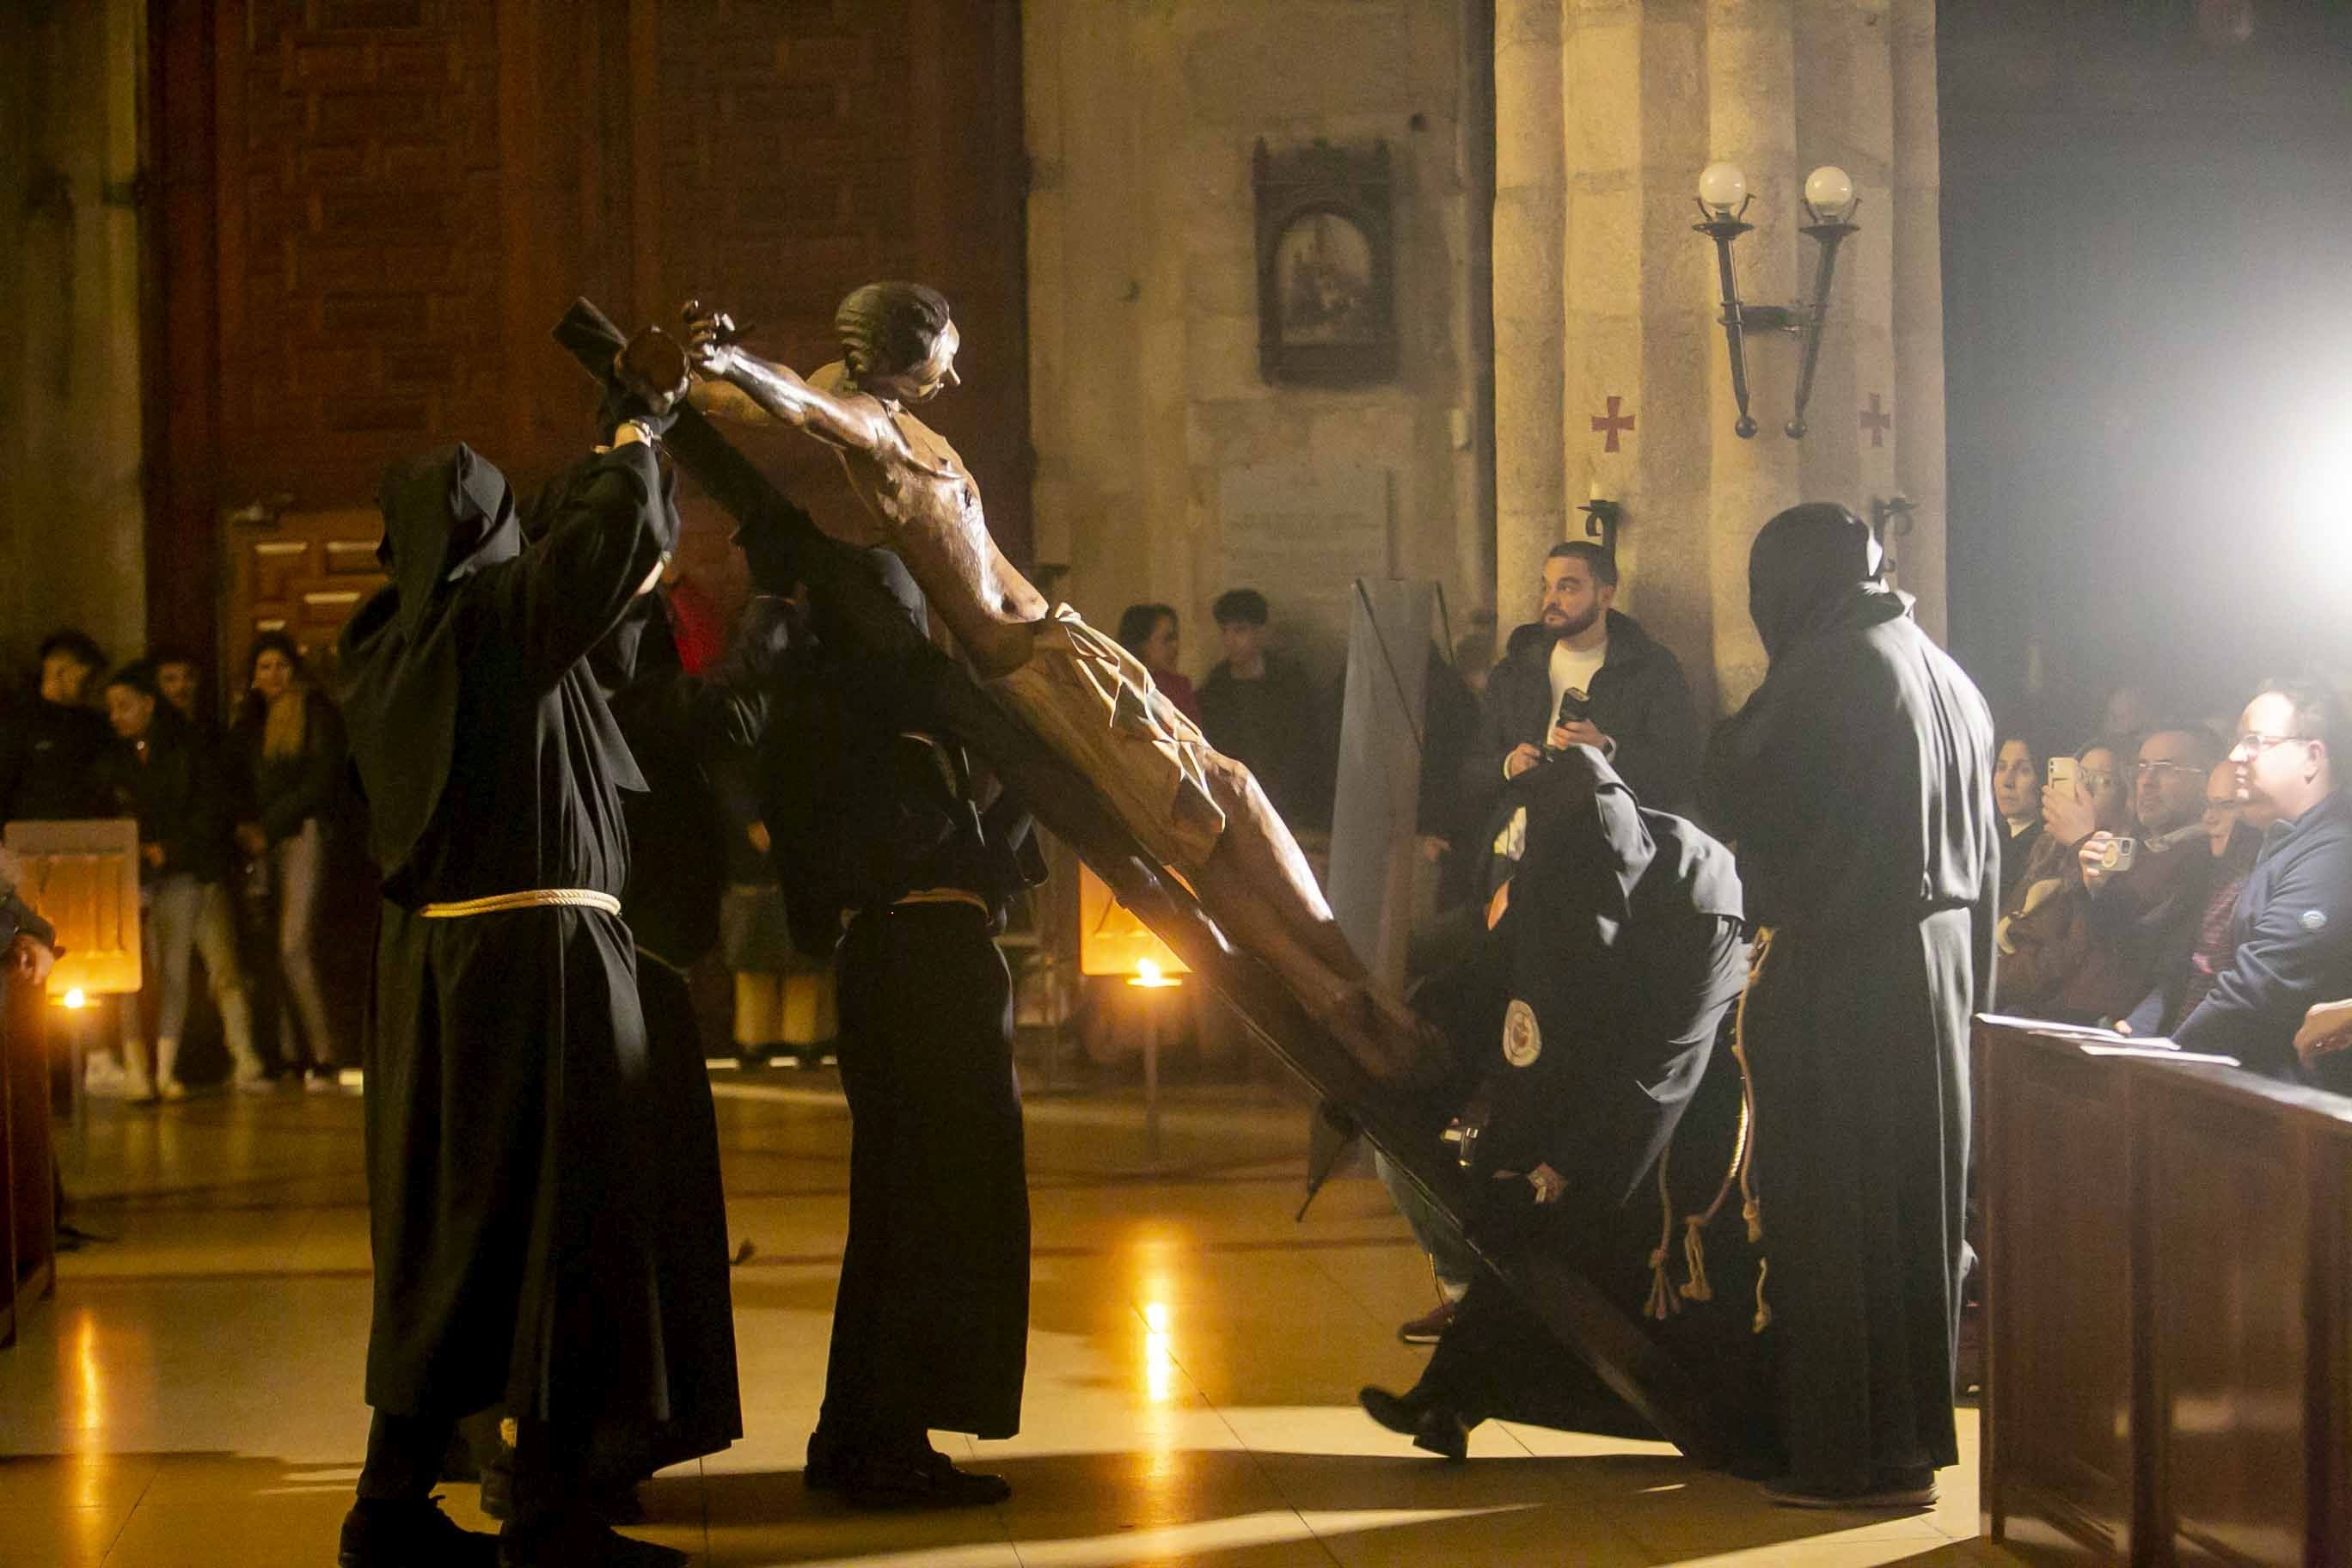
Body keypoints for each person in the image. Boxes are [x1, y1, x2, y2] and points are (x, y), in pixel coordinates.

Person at [683, 289, 1429, 1081]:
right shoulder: (870, 427)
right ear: (901, 360)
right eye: (945, 358)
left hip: (1064, 642)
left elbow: (753, 394)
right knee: (1200, 842)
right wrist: (718, 361)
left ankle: (1359, 983)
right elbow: (793, 404)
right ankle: (1342, 1007)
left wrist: (702, 364)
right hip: (1038, 673)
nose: (957, 377)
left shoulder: (874, 400)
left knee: (1234, 789)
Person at [333, 341, 697, 1568]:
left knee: (457, 1241)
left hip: (444, 984)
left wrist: (619, 468)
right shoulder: (489, 626)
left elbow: (595, 600)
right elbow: (593, 552)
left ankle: (389, 1508)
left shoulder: (397, 642)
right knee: (554, 1228)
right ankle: (543, 1511)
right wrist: (636, 434)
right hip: (535, 977)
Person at [1700, 501, 1996, 1510]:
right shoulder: (1942, 669)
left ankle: (1843, 1457)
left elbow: (1732, 780)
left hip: (1851, 971)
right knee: (1913, 1210)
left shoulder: (1832, 670)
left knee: (1832, 1210)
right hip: (1940, 971)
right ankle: (1908, 1447)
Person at [1358, 747, 1754, 1460]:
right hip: (1585, 1067)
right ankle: (1451, 1397)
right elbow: (1483, 982)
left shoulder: (1703, 894)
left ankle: (1450, 1394)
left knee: (1563, 1226)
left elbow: (1663, 1075)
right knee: (1515, 1214)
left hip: (1682, 1110)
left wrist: (1559, 1170)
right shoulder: (1554, 862)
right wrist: (1394, 1059)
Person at [757, 548, 1036, 1509]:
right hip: (916, 964)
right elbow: (911, 849)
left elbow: (974, 852)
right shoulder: (850, 715)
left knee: (916, 1208)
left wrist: (1016, 794)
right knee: (924, 1204)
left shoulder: (884, 712)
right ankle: (882, 1440)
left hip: (928, 959)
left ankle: (866, 1430)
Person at [2168, 678, 2352, 1091]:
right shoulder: (2282, 840)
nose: (2235, 755)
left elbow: (2259, 989)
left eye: (2254, 742)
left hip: (2308, 1108)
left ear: (2312, 756)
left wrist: (2165, 1064)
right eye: (2236, 741)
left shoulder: (2336, 853)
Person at [93, 661, 263, 1099]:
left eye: (124, 706)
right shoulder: (110, 759)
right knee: (131, 974)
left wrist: (170, 847)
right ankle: (136, 1066)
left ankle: (166, 1069)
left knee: (175, 972)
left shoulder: (186, 748)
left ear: (148, 704)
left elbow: (207, 808)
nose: (116, 716)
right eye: (111, 708)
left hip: (183, 871)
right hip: (132, 877)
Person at [1462, 540, 1702, 822]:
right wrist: (1508, 765)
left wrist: (1606, 750)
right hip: (1521, 841)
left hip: (1609, 841)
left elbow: (1681, 769)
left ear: (1605, 596)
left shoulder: (1651, 668)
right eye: (1546, 587)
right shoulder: (1514, 671)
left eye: (1566, 587)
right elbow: (1472, 767)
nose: (1551, 600)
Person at [230, 634, 349, 1088]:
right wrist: (246, 827)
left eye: (280, 665)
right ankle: (284, 1052)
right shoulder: (248, 723)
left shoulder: (315, 715)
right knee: (266, 950)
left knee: (292, 945)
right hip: (260, 845)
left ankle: (324, 1053)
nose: (273, 675)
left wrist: (270, 826)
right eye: (264, 667)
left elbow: (321, 780)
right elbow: (236, 781)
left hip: (301, 835)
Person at [2118, 759, 2269, 1037]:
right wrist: (2141, 1023)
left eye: (2226, 805)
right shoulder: (2209, 875)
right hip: (2180, 1043)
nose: (2209, 818)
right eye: (2209, 805)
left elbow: (2249, 988)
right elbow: (2179, 968)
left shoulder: (2266, 882)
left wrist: (2176, 1045)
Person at [1991, 738, 2133, 1020]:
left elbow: (2056, 960)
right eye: (2080, 777)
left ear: (2126, 795)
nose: (2084, 791)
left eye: (2102, 781)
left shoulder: (2122, 860)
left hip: (2048, 1013)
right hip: (2006, 995)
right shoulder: (2047, 851)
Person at [1197, 588, 1326, 829]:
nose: (1230, 640)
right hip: (1237, 803)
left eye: (1240, 630)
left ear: (1260, 632)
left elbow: (1304, 744)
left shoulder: (1289, 681)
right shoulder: (1216, 687)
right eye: (1225, 631)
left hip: (1291, 804)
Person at [0, 628, 115, 824]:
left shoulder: (96, 724)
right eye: (86, 679)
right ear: (60, 672)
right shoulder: (18, 723)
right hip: (33, 839)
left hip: (90, 837)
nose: (91, 686)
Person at [1115, 602, 1204, 728]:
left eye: (1175, 638)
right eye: (1167, 639)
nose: (1175, 646)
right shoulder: (1117, 685)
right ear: (1141, 644)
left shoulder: (1179, 687)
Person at [1992, 735, 2042, 904]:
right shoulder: (1986, 839)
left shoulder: (2047, 851)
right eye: (2001, 767)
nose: (2007, 782)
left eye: (2024, 770)